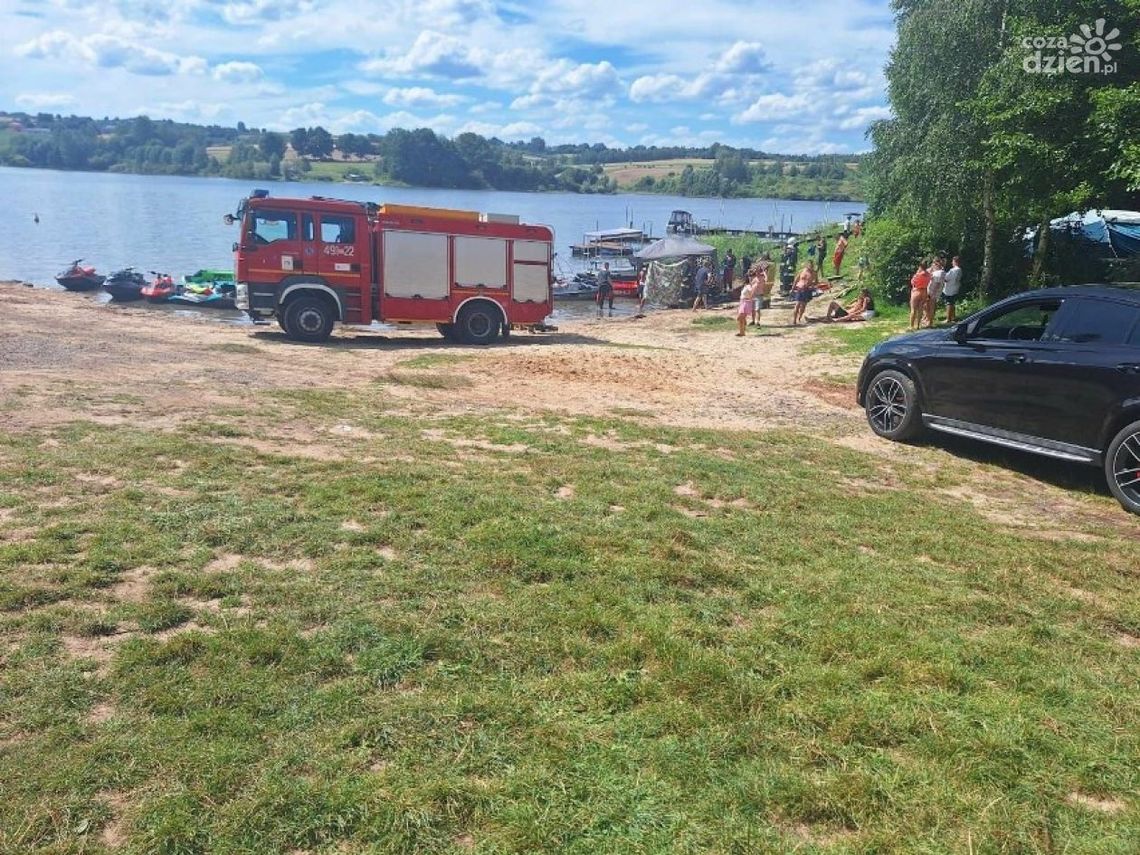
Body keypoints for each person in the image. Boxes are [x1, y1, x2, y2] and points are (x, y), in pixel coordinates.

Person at [791, 260, 817, 325]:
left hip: (807, 290)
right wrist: (792, 288)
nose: (811, 266)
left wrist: (812, 284)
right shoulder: (802, 271)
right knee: (797, 304)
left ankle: (799, 317)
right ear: (807, 265)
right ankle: (794, 320)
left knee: (803, 305)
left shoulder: (814, 273)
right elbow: (796, 280)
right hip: (799, 289)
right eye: (810, 265)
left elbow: (816, 282)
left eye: (812, 265)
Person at [909, 260, 931, 330]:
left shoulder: (918, 274)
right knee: (921, 309)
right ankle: (918, 325)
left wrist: (917, 273)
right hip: (924, 291)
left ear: (920, 266)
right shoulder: (928, 274)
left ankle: (911, 325)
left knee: (913, 309)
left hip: (916, 291)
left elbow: (912, 282)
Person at [925, 256, 946, 327]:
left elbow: (937, 284)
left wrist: (932, 294)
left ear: (937, 263)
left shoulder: (940, 272)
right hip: (930, 291)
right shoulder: (936, 271)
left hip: (933, 293)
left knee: (931, 307)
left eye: (934, 263)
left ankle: (930, 322)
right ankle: (927, 320)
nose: (933, 264)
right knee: (927, 306)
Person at [942, 255, 963, 324]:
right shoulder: (960, 270)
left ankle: (948, 319)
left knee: (949, 303)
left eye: (953, 261)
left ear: (956, 262)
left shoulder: (953, 270)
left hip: (949, 289)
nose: (952, 263)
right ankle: (953, 317)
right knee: (952, 303)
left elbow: (946, 279)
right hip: (955, 288)